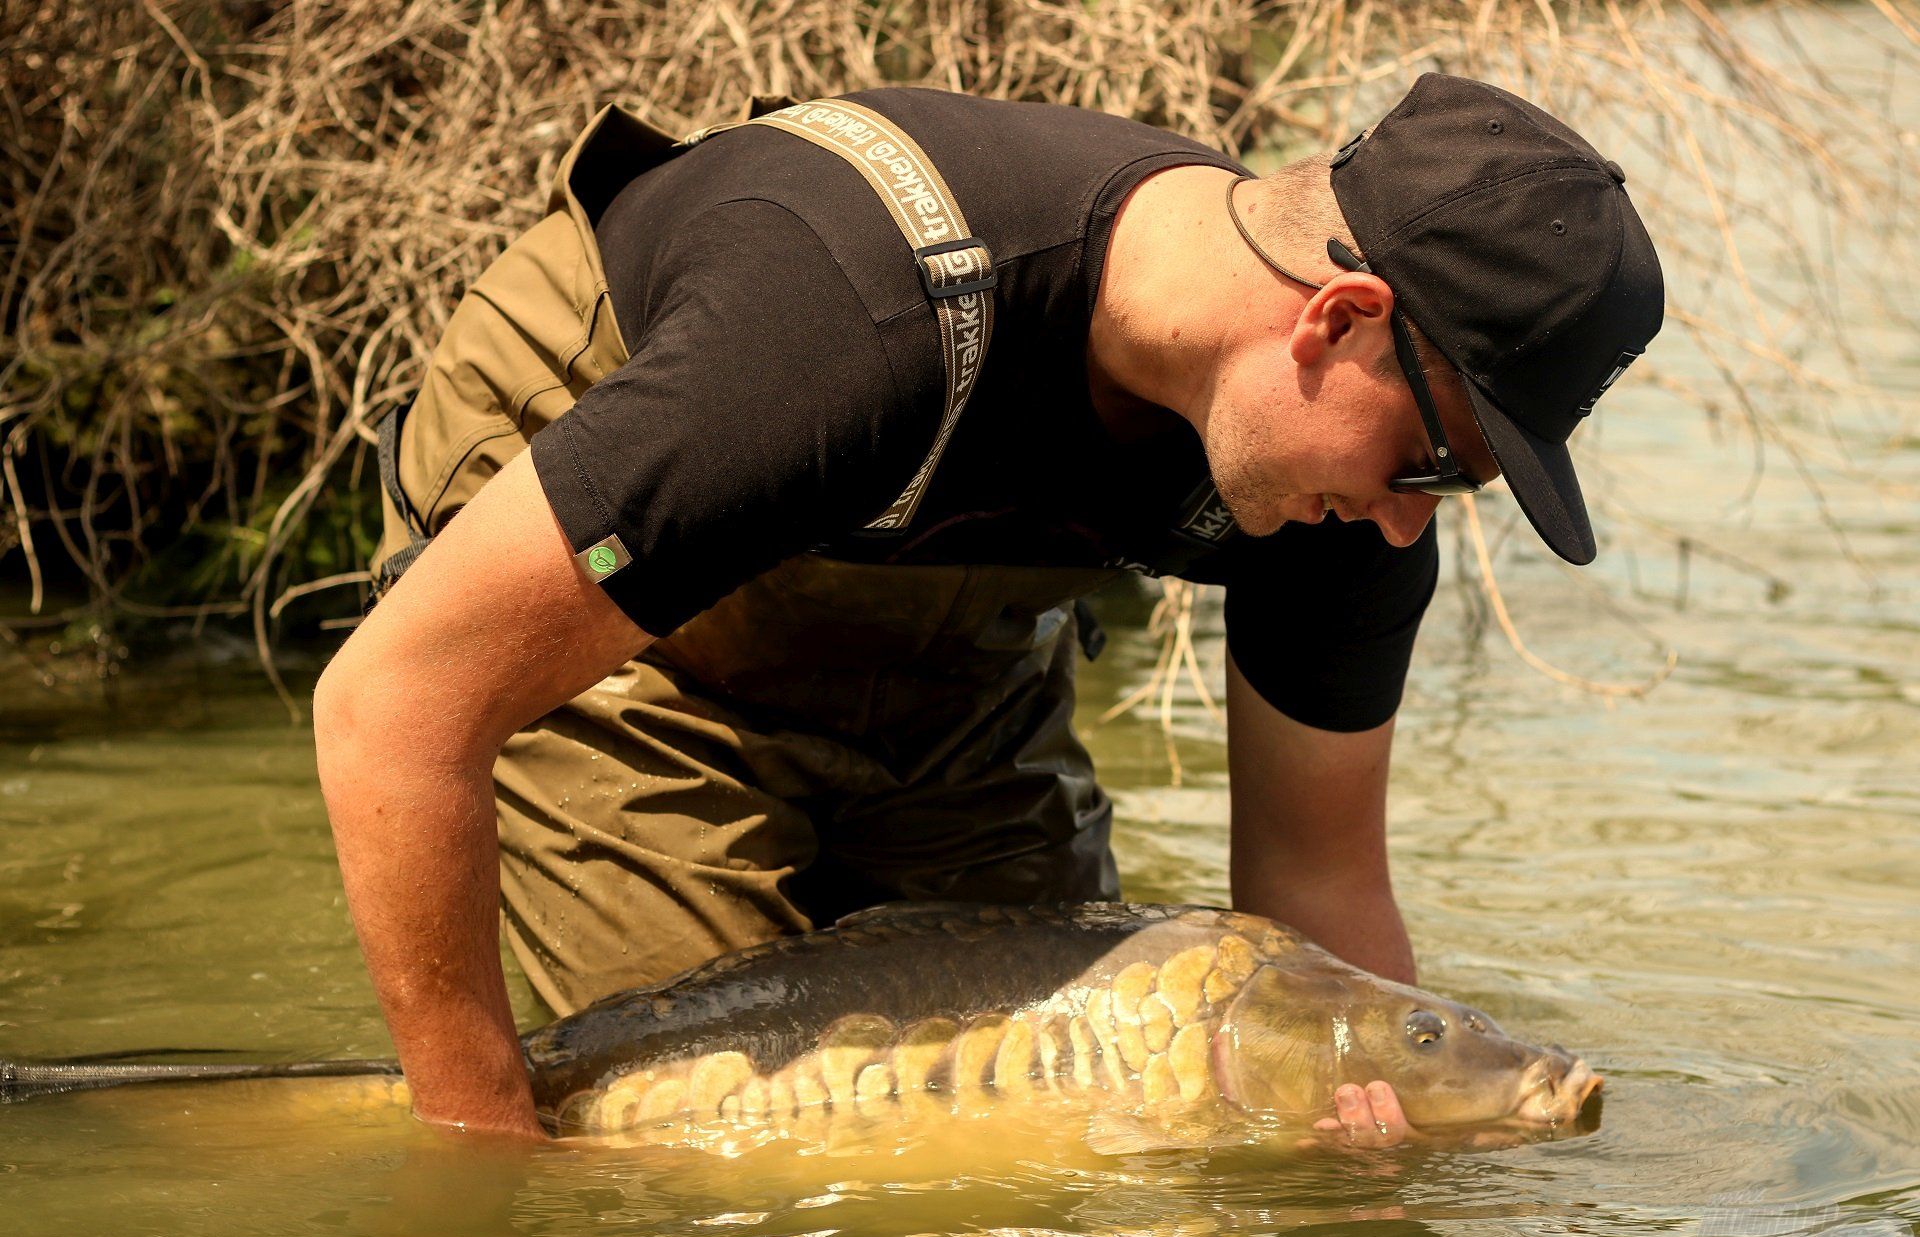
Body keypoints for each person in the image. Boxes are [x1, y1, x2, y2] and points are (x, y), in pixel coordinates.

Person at [313, 74, 1663, 1141]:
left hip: (937, 604)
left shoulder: (1342, 490)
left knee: (1081, 1105)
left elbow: (1316, 888)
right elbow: (394, 711)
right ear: (1337, 319)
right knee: (723, 1148)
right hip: (629, 544)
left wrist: (1367, 1157)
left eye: (1460, 489)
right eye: (1430, 465)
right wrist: (475, 1161)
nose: (1411, 522)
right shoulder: (844, 326)